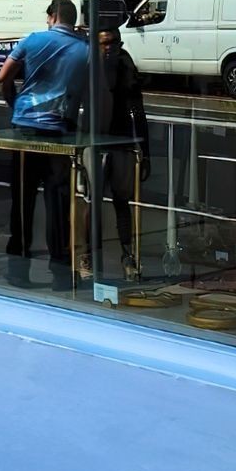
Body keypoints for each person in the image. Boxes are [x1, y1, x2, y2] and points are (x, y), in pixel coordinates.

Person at [0, 0, 88, 287]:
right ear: (72, 20)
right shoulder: (84, 49)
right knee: (57, 201)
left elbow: (3, 76)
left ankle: (18, 268)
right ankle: (60, 269)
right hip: (59, 129)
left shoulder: (33, 40)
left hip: (25, 126)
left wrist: (14, 101)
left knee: (22, 199)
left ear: (51, 16)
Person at [78, 18, 150, 281]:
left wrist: (144, 149)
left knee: (122, 201)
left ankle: (127, 254)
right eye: (104, 44)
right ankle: (88, 254)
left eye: (114, 44)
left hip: (119, 140)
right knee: (91, 201)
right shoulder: (89, 66)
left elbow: (137, 110)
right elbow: (75, 103)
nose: (109, 49)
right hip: (94, 140)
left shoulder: (125, 66)